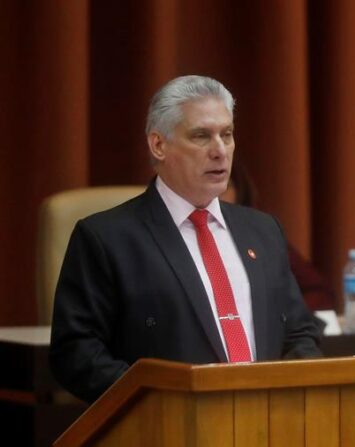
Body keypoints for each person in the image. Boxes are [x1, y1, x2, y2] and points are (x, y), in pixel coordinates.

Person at [49, 75, 322, 403]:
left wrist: (281, 396)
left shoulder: (264, 231)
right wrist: (163, 404)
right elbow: (77, 355)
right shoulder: (106, 238)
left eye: (227, 134)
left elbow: (300, 333)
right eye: (201, 136)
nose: (220, 151)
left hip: (264, 424)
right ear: (158, 145)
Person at [220, 159, 335, 310]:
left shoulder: (263, 235)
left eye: (224, 186)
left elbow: (318, 291)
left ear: (240, 190)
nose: (216, 195)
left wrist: (282, 319)